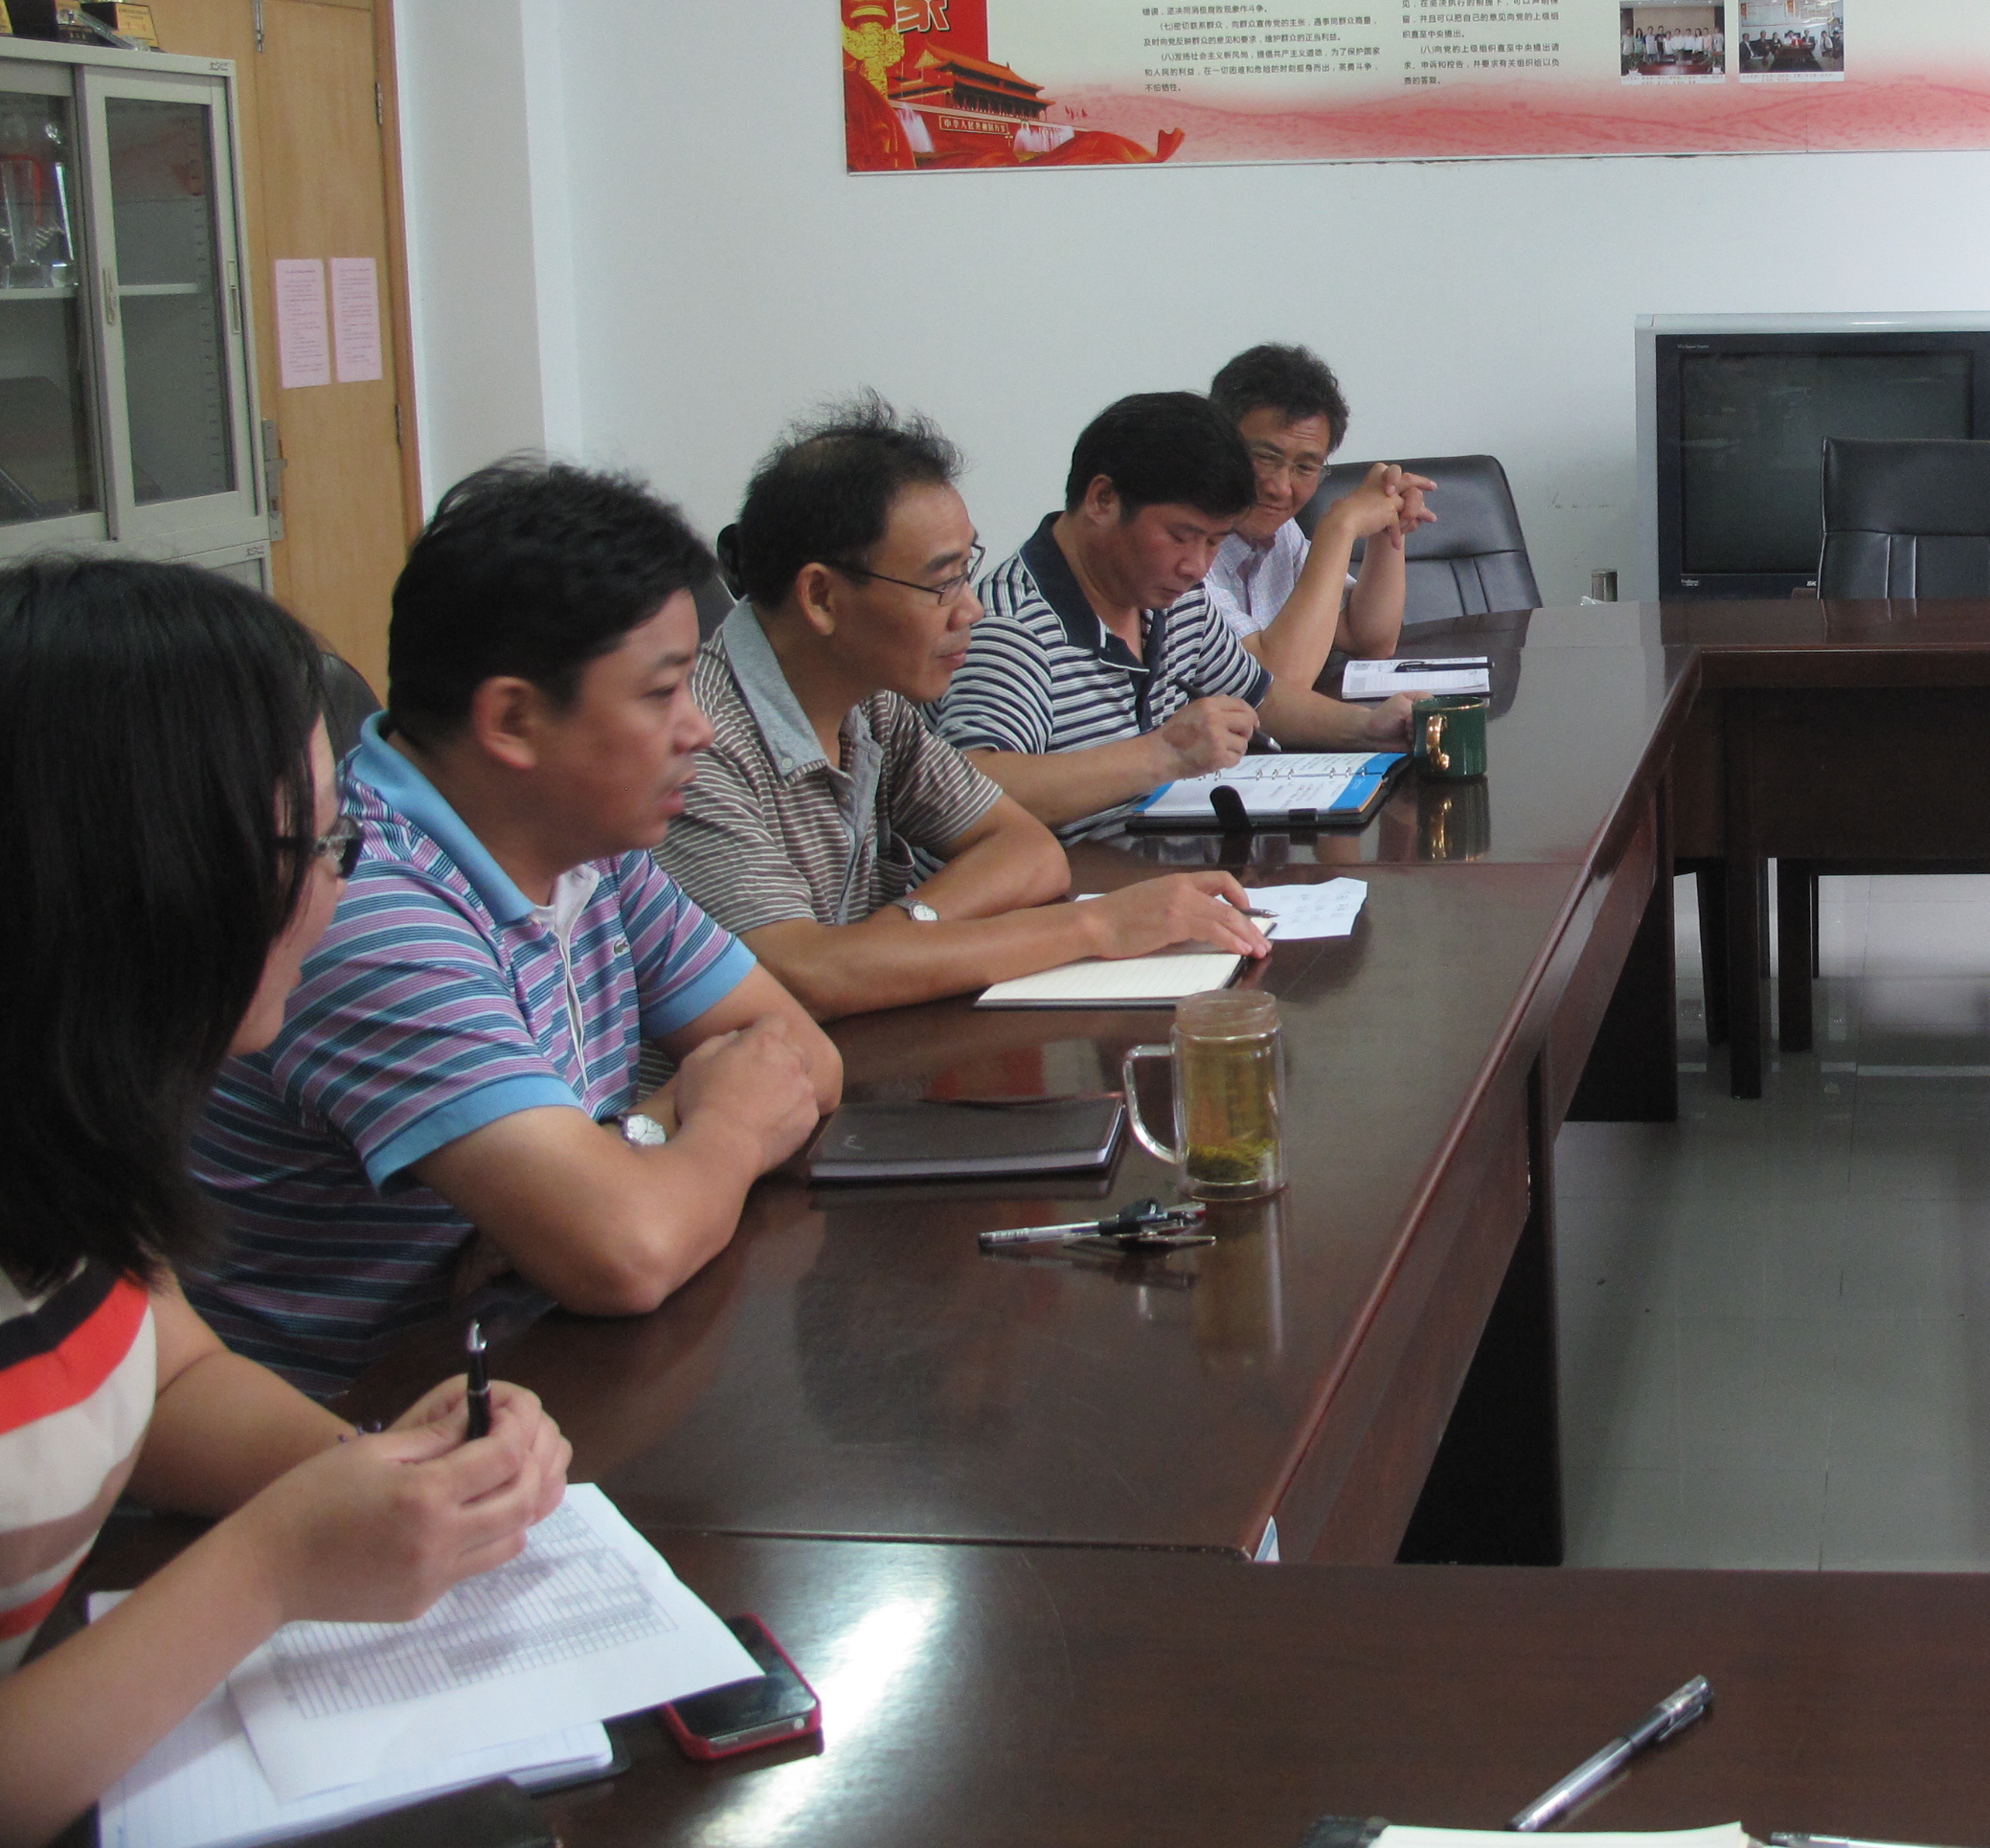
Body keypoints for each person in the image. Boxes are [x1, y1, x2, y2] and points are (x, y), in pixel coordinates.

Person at [0, 557, 571, 1844]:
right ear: (133, 874)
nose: (340, 888)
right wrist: (274, 1565)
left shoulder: (71, 1127)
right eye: (312, 847)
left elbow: (171, 1377)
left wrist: (384, 1478)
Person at [189, 462, 847, 1396]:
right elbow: (627, 1252)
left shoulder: (587, 848)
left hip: (526, 1373)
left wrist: (622, 1153)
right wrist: (722, 1129)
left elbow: (802, 1059)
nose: (699, 730)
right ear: (512, 719)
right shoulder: (366, 906)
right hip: (359, 1426)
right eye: (662, 693)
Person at [657, 397, 1264, 1022]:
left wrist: (898, 934)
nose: (971, 608)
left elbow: (1029, 850)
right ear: (821, 597)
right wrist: (1096, 927)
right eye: (941, 583)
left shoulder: (872, 704)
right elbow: (801, 976)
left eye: (965, 571)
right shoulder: (693, 743)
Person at [939, 392, 1418, 839]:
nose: (1196, 567)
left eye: (1214, 542)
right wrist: (1162, 754)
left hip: (1162, 867)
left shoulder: (1172, 596)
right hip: (1072, 887)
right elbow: (966, 790)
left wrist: (1367, 728)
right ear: (1102, 499)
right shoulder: (1012, 625)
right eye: (1180, 536)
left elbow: (1260, 696)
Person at [1201, 345, 1436, 693]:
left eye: (1305, 467)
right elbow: (1272, 690)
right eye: (1264, 458)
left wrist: (1389, 518)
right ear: (1217, 442)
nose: (1280, 488)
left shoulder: (1280, 532)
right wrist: (1339, 527)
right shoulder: (1183, 545)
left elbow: (1370, 639)